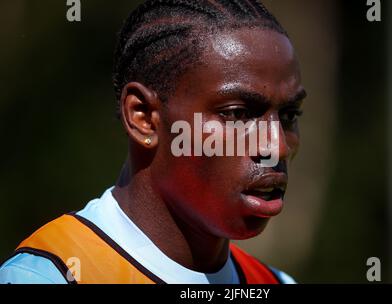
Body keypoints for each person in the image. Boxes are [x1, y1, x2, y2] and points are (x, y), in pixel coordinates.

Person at [0, 0, 306, 284]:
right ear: (143, 116)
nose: (275, 147)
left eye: (289, 115)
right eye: (237, 114)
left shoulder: (273, 282)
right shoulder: (49, 276)